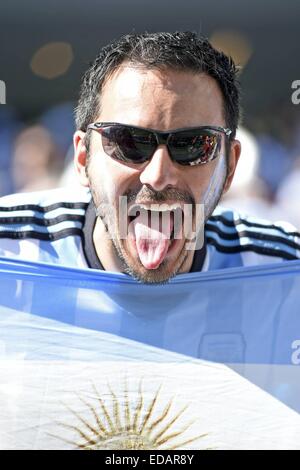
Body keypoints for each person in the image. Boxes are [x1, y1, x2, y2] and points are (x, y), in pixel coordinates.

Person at [0, 31, 299, 284]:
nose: (157, 176)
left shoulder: (284, 272)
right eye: (128, 142)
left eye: (193, 145)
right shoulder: (9, 250)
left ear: (230, 166)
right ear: (83, 158)